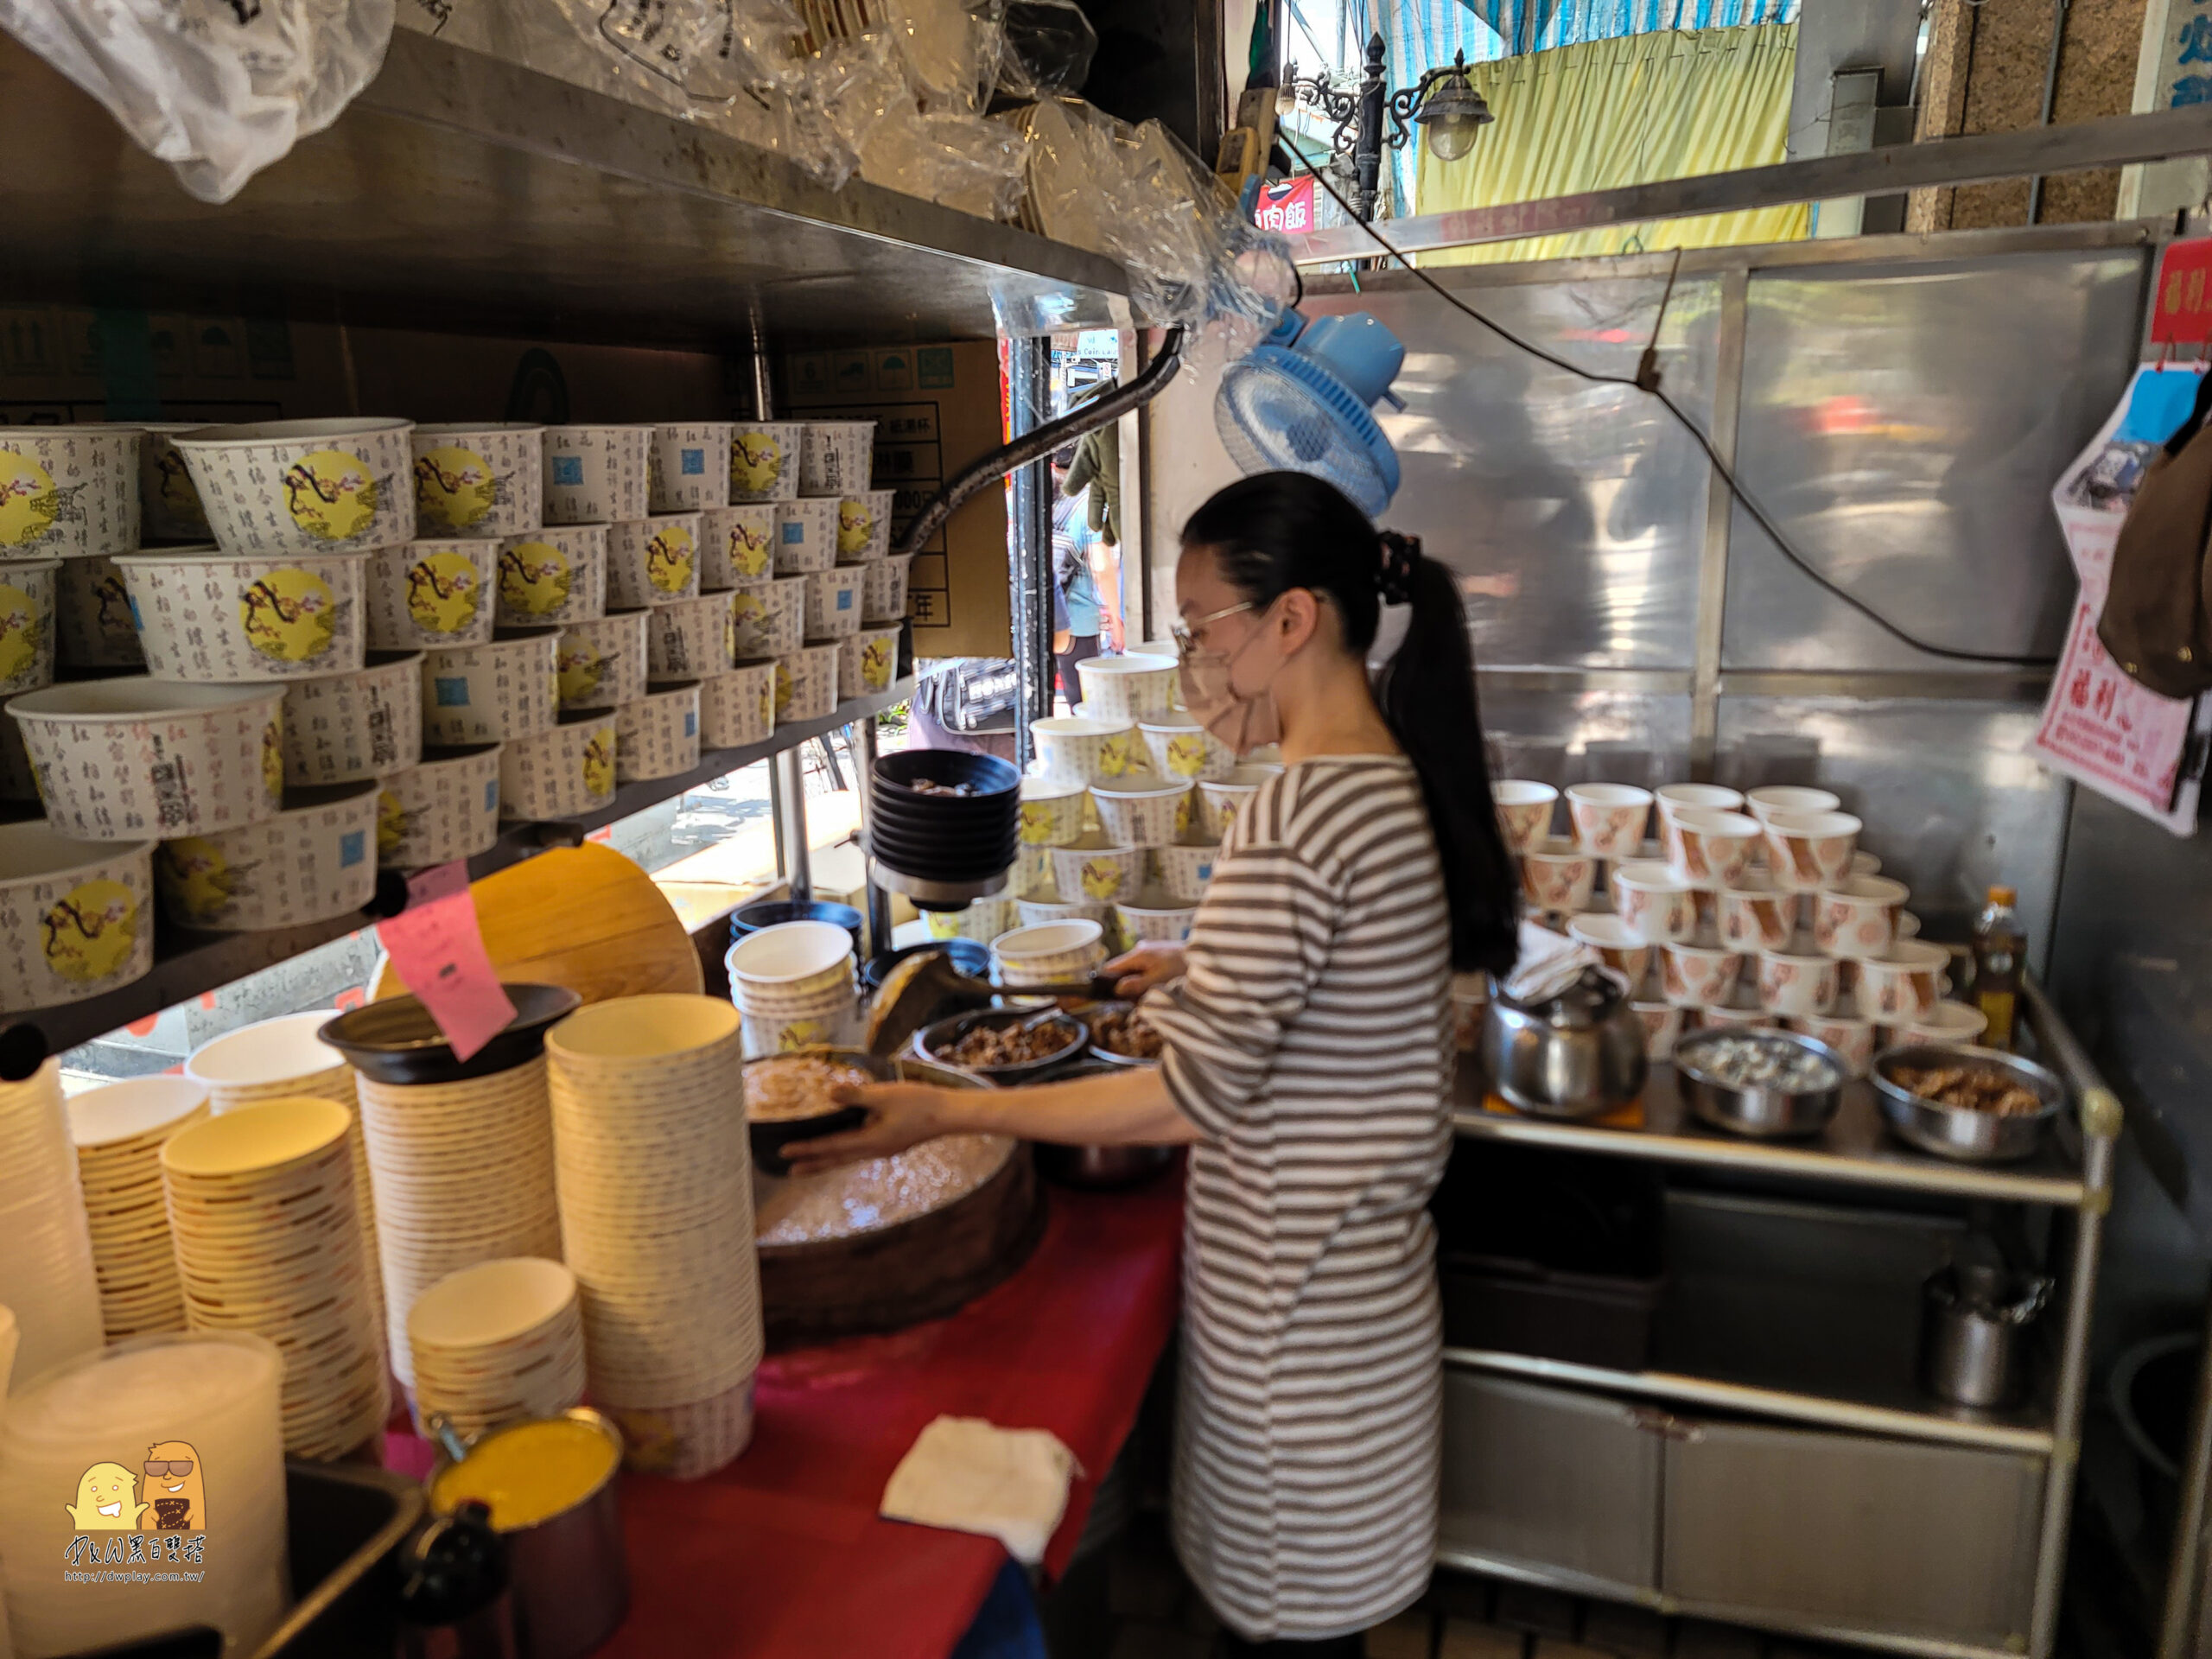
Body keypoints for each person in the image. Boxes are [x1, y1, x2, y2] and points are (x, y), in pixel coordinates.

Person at [789, 471, 1522, 1655]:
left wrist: (941, 1109)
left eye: (1198, 625)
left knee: (1281, 1629)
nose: (1190, 654)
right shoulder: (1383, 782)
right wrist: (1193, 963)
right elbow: (1355, 978)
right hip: (1358, 1303)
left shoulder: (1301, 816)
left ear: (1291, 621)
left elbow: (1189, 1098)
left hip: (1298, 1334)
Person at [1051, 448, 1103, 707]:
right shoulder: (1088, 504)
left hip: (1034, 618)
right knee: (1082, 703)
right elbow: (1101, 565)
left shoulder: (1016, 497)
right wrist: (1116, 617)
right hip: (1079, 622)